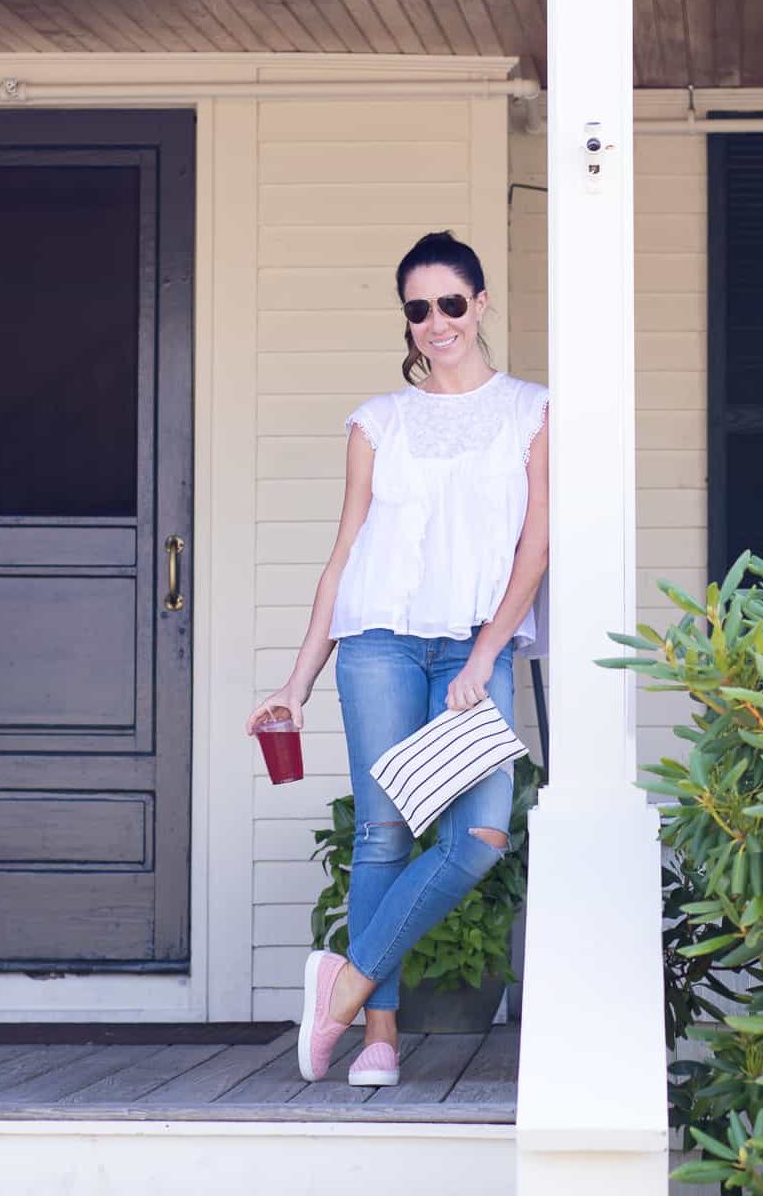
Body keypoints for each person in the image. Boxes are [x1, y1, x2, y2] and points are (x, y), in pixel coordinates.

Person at [246, 231, 549, 1088]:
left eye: (451, 303)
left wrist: (485, 654)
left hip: (472, 641)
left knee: (479, 834)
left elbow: (536, 549)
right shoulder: (379, 422)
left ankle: (338, 990)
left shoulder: (532, 410)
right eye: (419, 308)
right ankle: (377, 1037)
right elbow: (346, 552)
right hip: (377, 637)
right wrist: (295, 683)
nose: (436, 322)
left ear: (481, 304)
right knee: (382, 833)